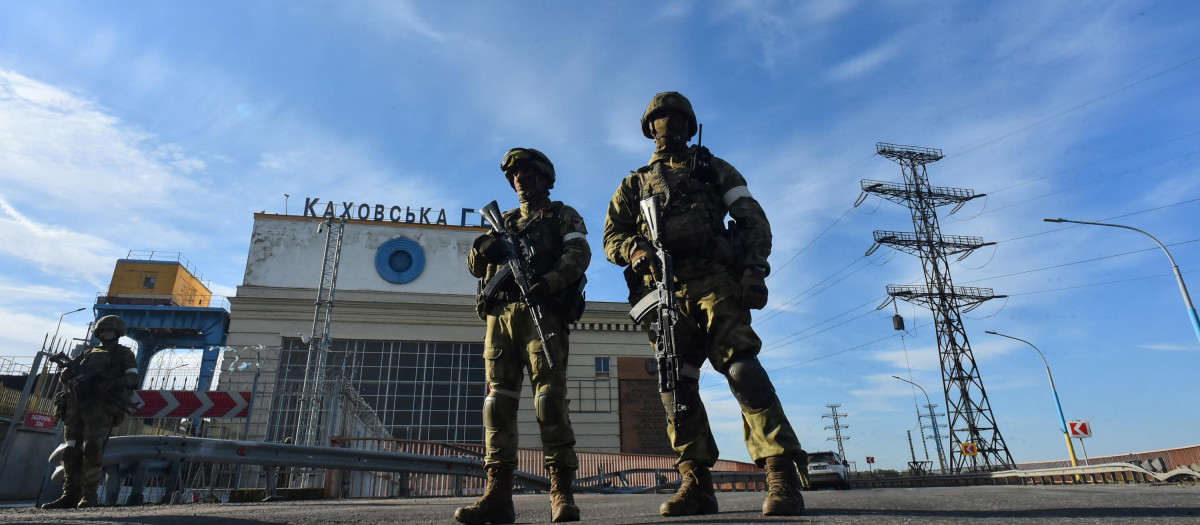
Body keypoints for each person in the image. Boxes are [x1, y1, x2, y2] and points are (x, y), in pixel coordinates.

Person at [602, 91, 806, 517]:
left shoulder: (714, 169)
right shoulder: (634, 183)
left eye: (677, 119)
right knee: (676, 381)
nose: (669, 126)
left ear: (690, 125)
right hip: (664, 288)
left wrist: (754, 268)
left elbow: (751, 217)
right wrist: (637, 252)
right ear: (649, 128)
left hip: (714, 279)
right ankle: (695, 481)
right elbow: (612, 237)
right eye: (660, 119)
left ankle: (780, 473)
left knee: (742, 369)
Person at [457, 147, 590, 524]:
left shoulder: (563, 214)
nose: (520, 180)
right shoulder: (505, 221)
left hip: (542, 311)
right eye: (515, 176)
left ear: (545, 178)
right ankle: (497, 495)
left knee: (549, 399)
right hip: (500, 317)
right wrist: (483, 248)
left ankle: (561, 492)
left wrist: (548, 283)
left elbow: (579, 253)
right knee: (497, 404)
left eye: (528, 174)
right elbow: (474, 265)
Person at [42, 314, 139, 509]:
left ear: (117, 332)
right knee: (70, 449)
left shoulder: (123, 354)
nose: (106, 334)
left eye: (110, 330)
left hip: (101, 406)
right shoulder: (86, 353)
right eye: (103, 330)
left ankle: (89, 496)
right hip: (76, 406)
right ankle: (69, 494)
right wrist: (69, 372)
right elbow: (65, 378)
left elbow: (133, 379)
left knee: (93, 450)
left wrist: (111, 383)